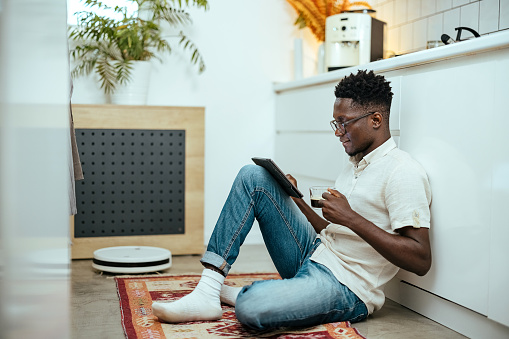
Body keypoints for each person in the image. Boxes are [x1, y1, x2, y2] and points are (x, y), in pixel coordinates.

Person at [152, 70, 432, 330]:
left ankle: (247, 295)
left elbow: (420, 259)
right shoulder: (356, 162)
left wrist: (350, 217)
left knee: (252, 307)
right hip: (316, 254)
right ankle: (209, 288)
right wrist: (295, 200)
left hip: (347, 286)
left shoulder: (402, 172)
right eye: (336, 122)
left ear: (376, 120)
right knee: (254, 176)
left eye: (344, 123)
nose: (338, 131)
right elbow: (335, 233)